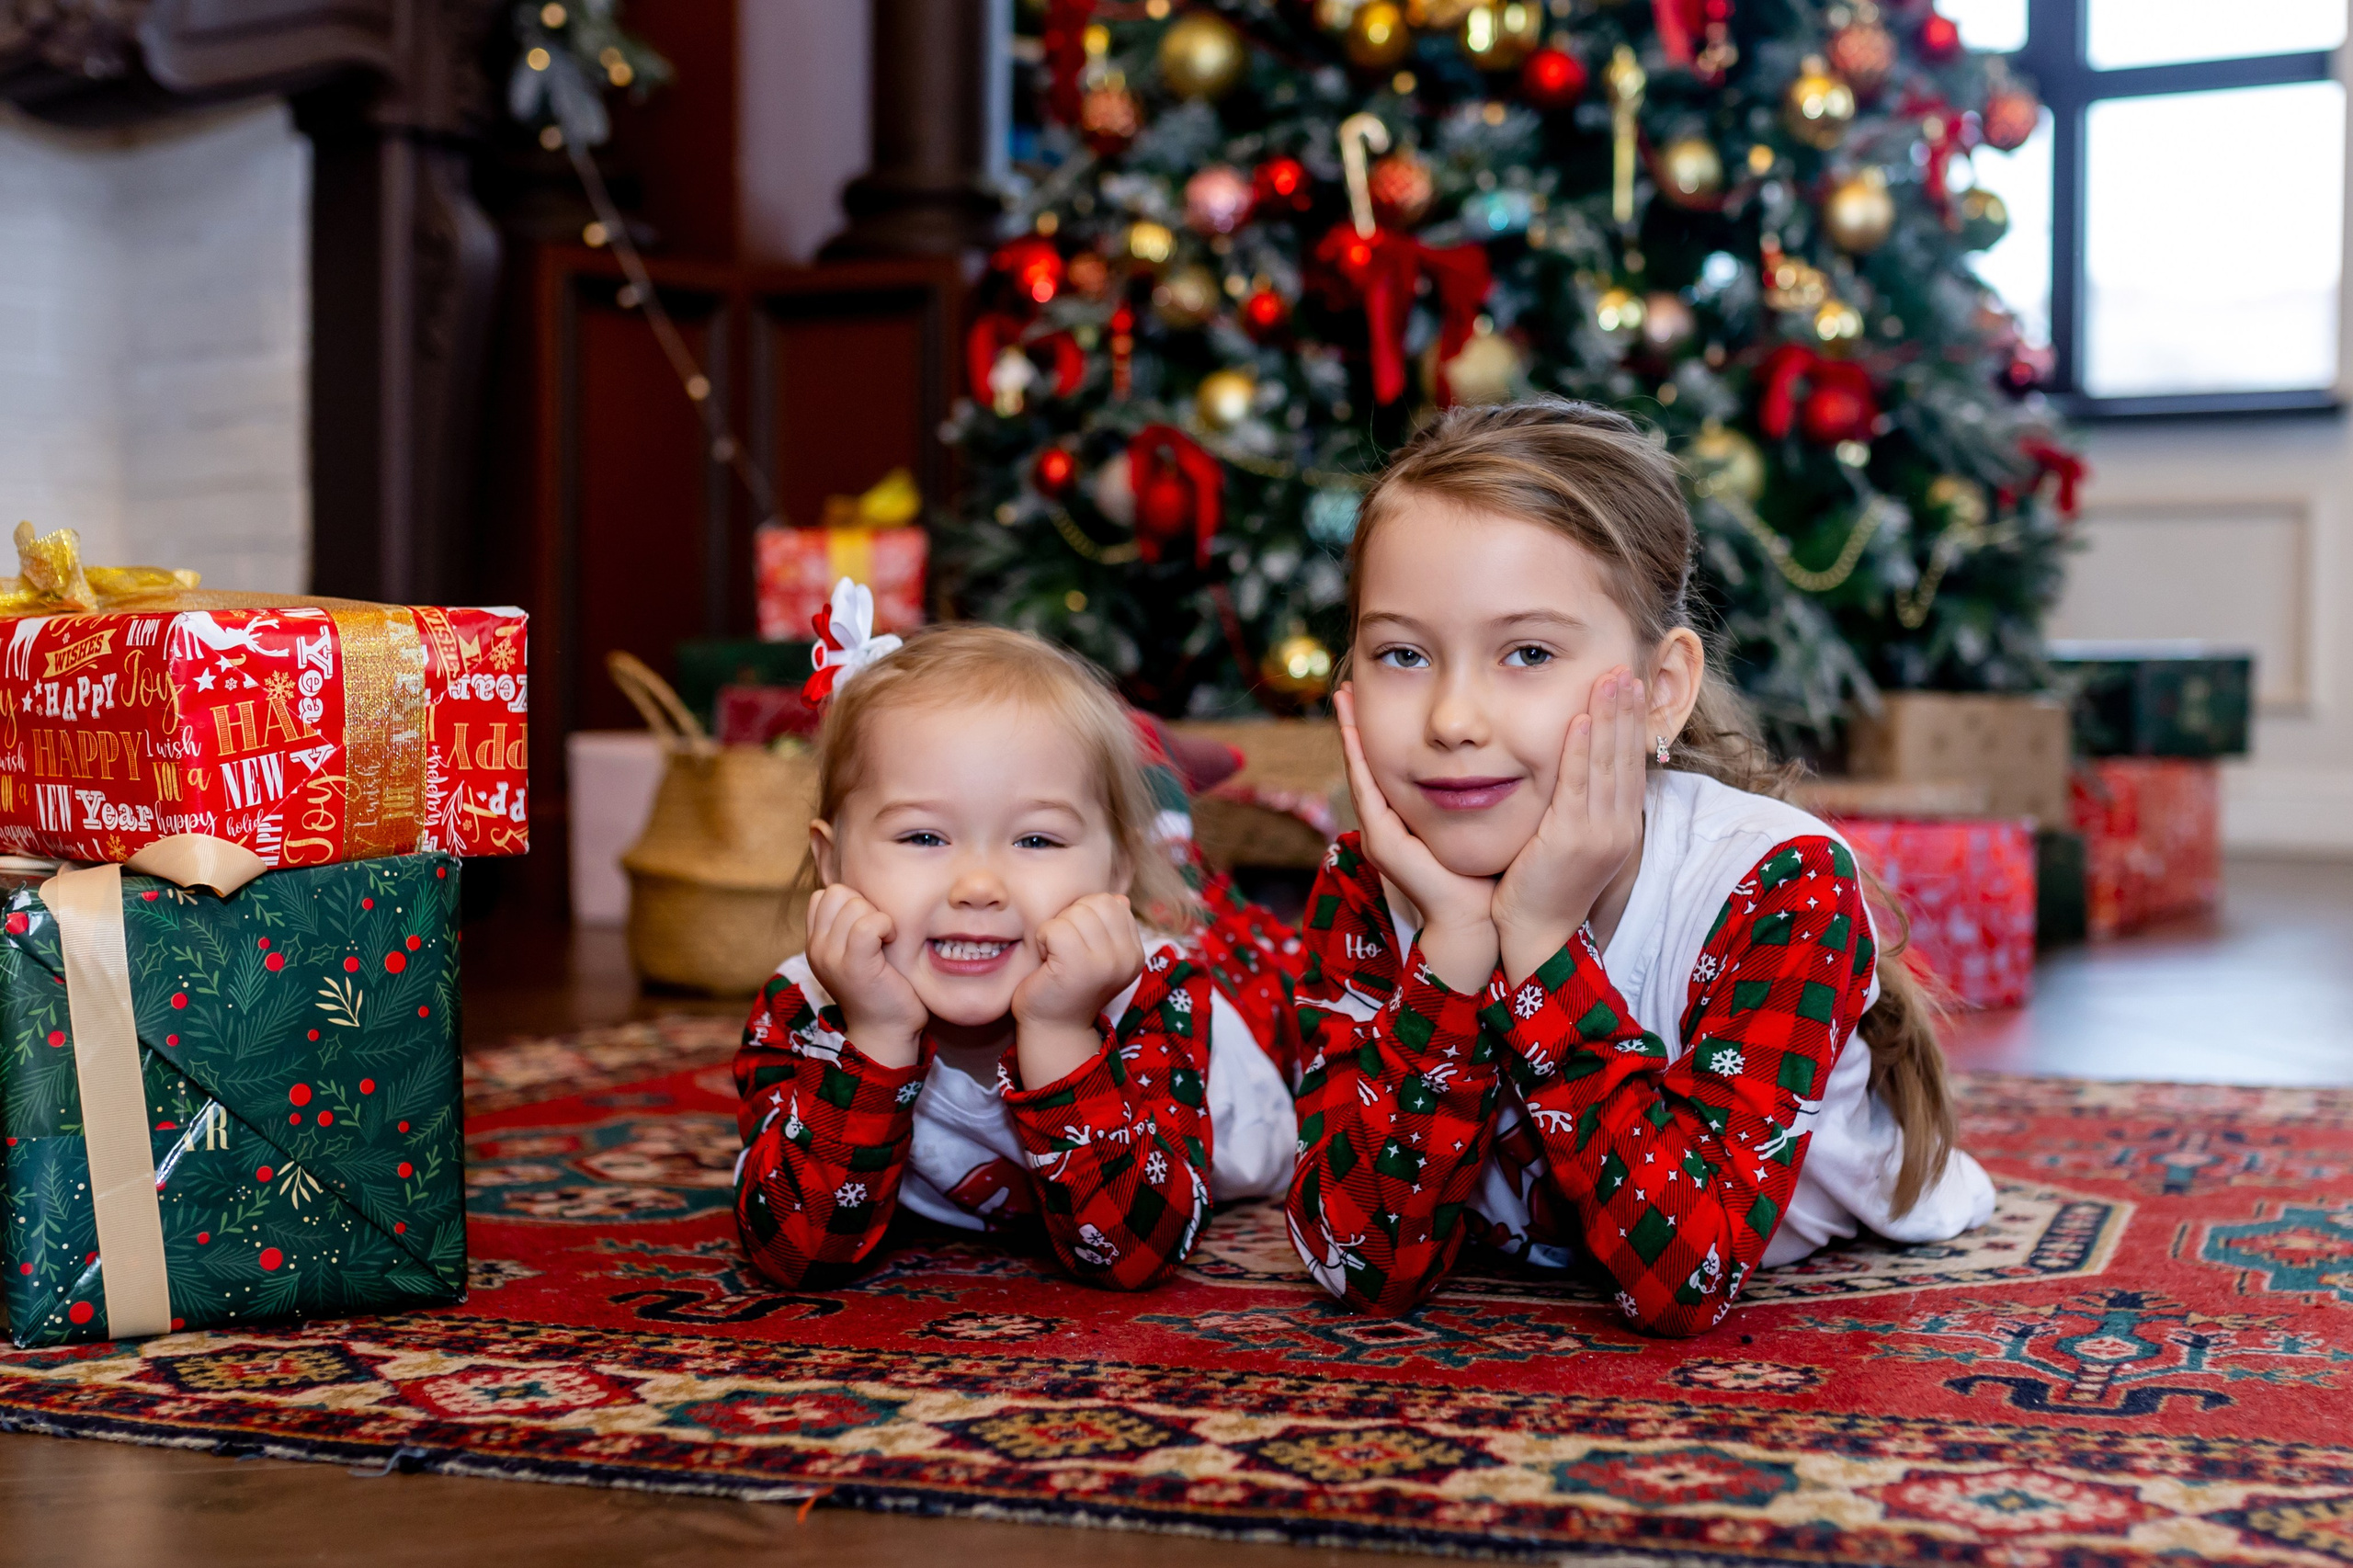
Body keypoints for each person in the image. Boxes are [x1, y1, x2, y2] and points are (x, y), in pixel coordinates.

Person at [1286, 399, 1995, 1335]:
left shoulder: (1779, 884)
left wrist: (1538, 941)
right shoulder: (1368, 880)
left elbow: (1682, 1281)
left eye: (1527, 652)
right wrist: (1454, 949)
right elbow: (1361, 1267)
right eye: (1402, 653)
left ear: (1660, 692)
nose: (1451, 718)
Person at [734, 616, 1296, 1291]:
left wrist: (1062, 1032)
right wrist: (876, 1034)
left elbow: (1133, 1253)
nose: (978, 886)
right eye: (922, 837)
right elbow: (791, 1253)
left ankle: (1165, 821)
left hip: (1249, 1001)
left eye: (1035, 842)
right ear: (832, 862)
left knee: (1268, 965)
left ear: (1116, 873)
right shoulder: (804, 1005)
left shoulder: (1152, 992)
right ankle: (1151, 811)